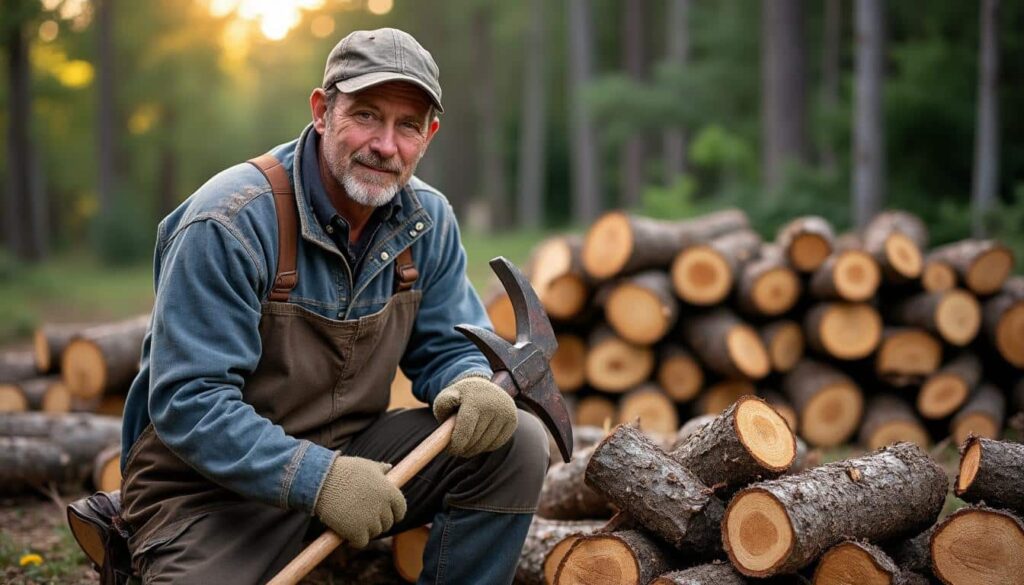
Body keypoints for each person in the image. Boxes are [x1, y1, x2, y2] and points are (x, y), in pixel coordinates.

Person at [118, 27, 549, 584]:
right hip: (208, 494)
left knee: (514, 440)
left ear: (430, 135)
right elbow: (189, 402)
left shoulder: (428, 221)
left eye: (407, 126)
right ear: (322, 112)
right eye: (366, 115)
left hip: (353, 460)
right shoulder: (229, 223)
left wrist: (470, 379)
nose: (385, 145)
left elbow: (447, 345)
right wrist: (318, 480)